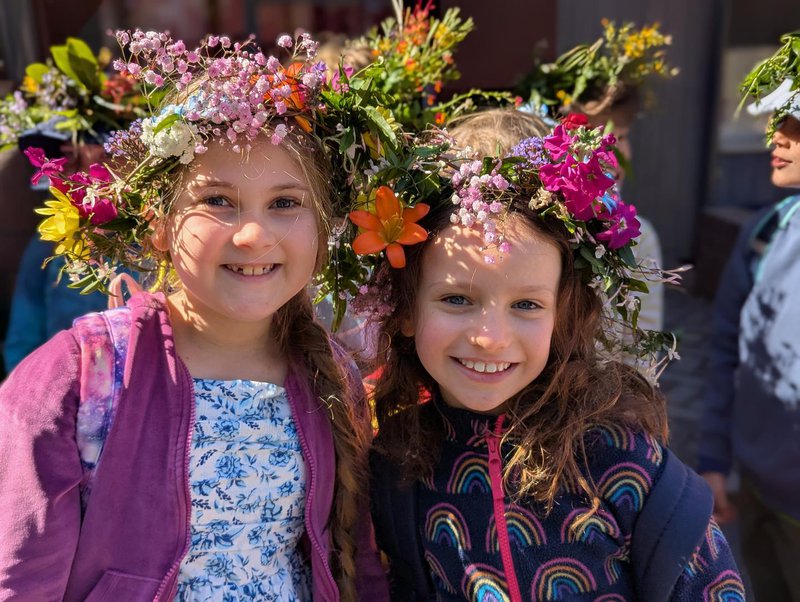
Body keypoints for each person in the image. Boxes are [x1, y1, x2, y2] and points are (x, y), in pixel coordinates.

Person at [0, 30, 389, 601]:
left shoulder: (332, 378)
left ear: (325, 229)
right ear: (157, 223)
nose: (254, 234)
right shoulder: (76, 378)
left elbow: (359, 564)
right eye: (217, 201)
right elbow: (23, 580)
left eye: (285, 203)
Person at [361, 118, 744, 599]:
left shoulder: (620, 462)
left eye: (526, 305)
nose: (490, 338)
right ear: (405, 308)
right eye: (457, 299)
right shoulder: (398, 464)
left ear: (563, 314)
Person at [698, 34, 800, 600]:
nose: (776, 137)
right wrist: (714, 459)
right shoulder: (765, 232)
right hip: (758, 490)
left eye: (795, 124)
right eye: (777, 120)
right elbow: (727, 348)